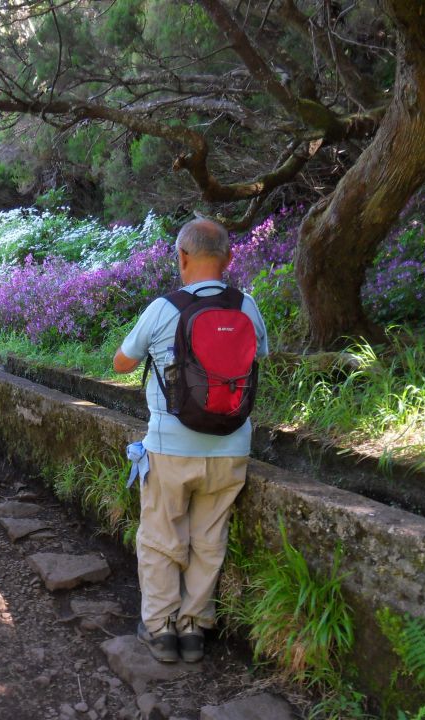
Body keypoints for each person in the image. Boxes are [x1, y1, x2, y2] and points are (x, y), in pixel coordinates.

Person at [112, 218, 268, 664]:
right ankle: (195, 628)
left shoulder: (164, 308)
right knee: (209, 540)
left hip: (171, 447)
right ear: (229, 258)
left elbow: (123, 363)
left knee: (161, 536)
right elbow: (259, 355)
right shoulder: (247, 306)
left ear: (181, 257)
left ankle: (161, 631)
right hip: (231, 449)